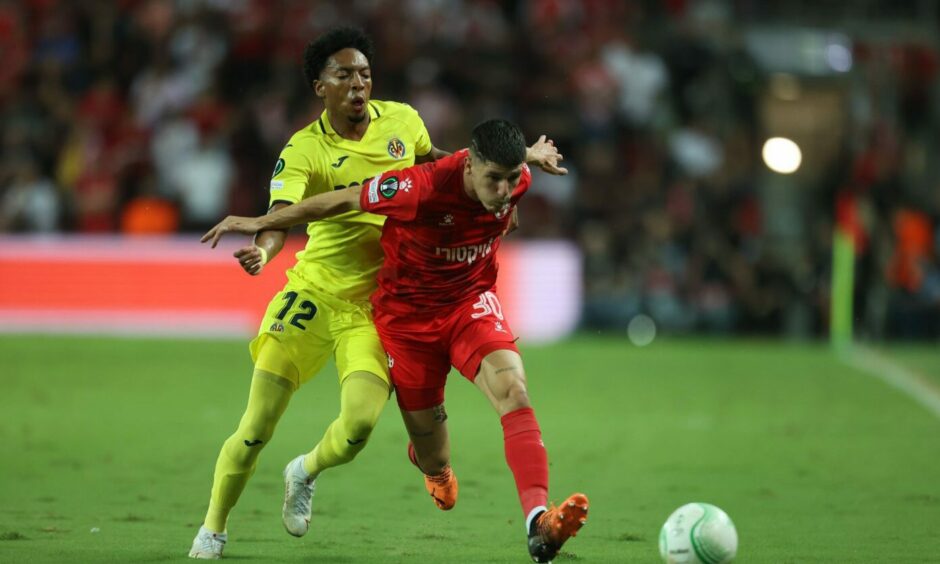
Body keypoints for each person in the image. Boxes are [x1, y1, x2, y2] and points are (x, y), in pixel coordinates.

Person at [189, 27, 567, 560]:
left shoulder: (403, 121)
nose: (358, 83)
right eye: (343, 74)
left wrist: (518, 158)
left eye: (364, 72)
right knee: (256, 424)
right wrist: (265, 248)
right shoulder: (302, 150)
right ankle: (213, 528)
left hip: (375, 303)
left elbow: (445, 163)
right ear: (319, 86)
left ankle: (305, 470)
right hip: (316, 293)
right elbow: (297, 212)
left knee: (360, 426)